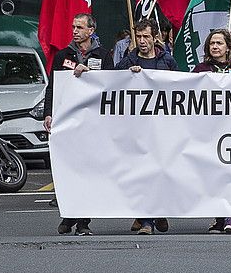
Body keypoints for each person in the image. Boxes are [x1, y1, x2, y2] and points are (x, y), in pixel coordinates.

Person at [46, 12, 113, 237]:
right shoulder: (63, 55)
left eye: (79, 27)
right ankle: (70, 215)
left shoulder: (104, 56)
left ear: (91, 31)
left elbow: (111, 85)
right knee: (70, 170)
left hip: (94, 123)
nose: (75, 31)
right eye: (73, 27)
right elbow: (52, 87)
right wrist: (48, 113)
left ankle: (82, 222)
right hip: (68, 122)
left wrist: (90, 74)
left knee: (89, 171)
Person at [115, 19, 177, 235]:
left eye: (146, 37)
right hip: (136, 130)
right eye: (138, 37)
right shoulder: (127, 62)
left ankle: (151, 215)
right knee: (141, 173)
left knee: (158, 172)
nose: (142, 41)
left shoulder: (167, 61)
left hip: (161, 129)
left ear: (154, 38)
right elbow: (110, 85)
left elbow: (179, 88)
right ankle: (147, 218)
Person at [193, 29, 231, 236]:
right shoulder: (201, 69)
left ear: (228, 46)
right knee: (215, 174)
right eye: (212, 44)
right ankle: (221, 217)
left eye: (219, 43)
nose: (215, 47)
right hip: (210, 130)